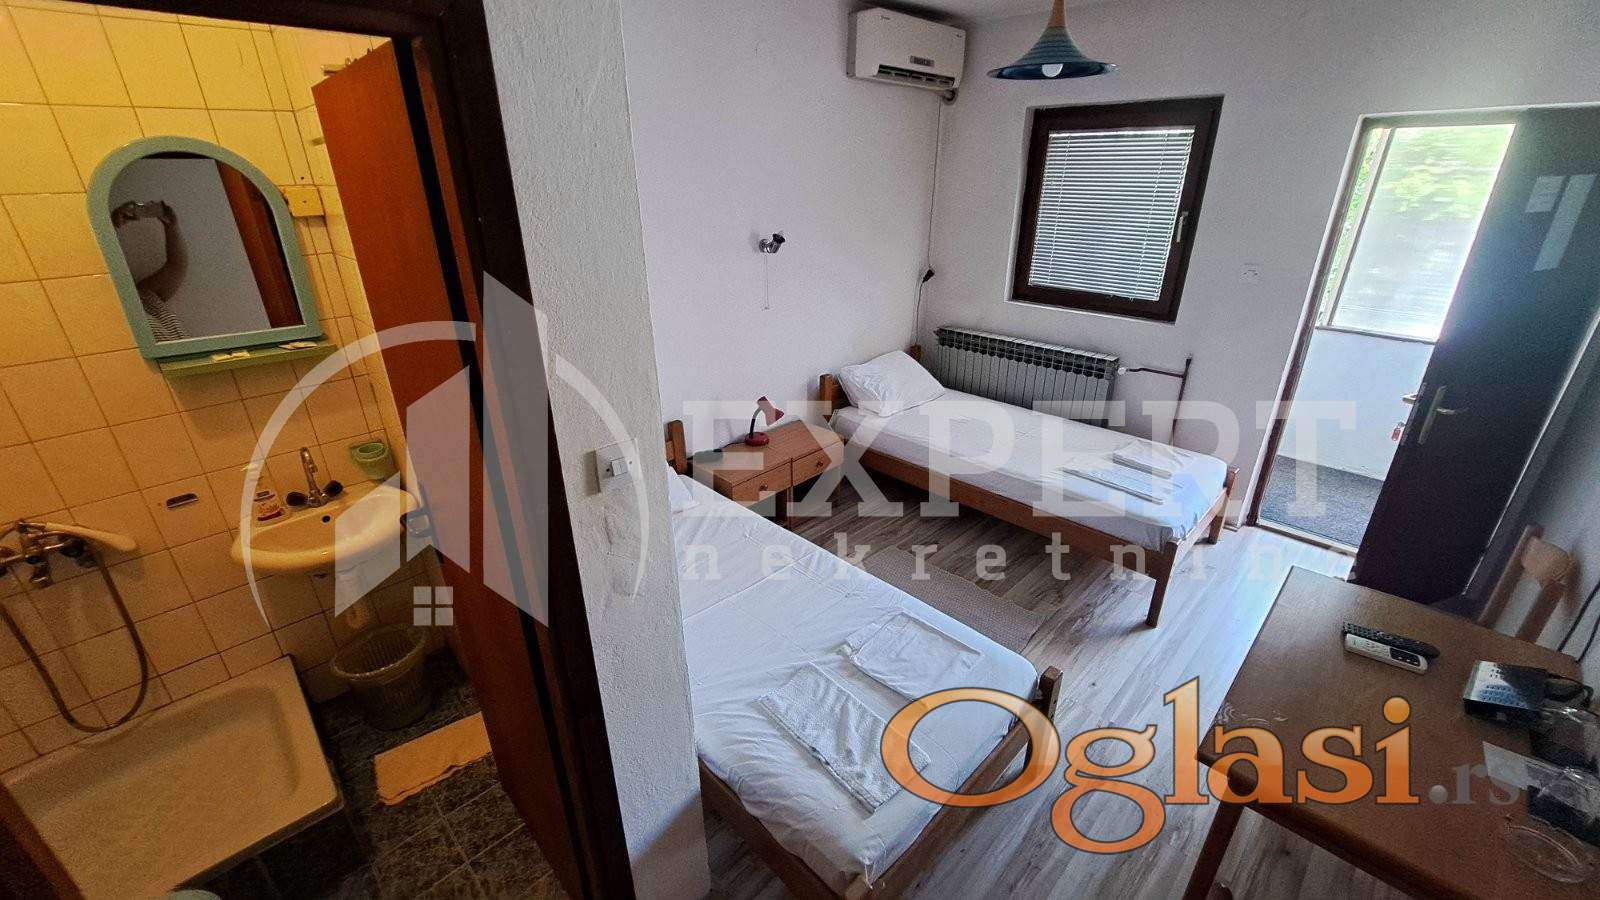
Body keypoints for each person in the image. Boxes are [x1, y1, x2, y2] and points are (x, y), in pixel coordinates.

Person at [111, 200, 189, 341]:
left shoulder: (144, 294)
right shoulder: (111, 310)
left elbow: (176, 265)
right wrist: (110, 226)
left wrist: (171, 226)